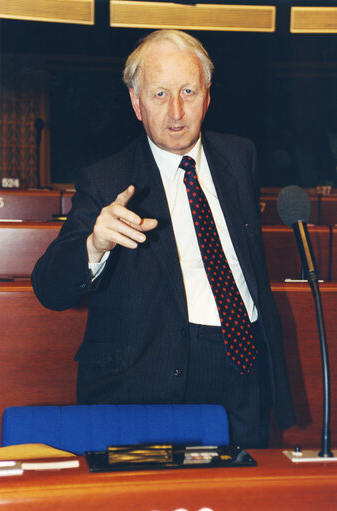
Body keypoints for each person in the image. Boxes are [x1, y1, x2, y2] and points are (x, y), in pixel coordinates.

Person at [32, 29, 295, 448]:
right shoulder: (106, 179)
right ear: (137, 104)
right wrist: (95, 246)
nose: (176, 111)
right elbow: (48, 287)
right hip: (149, 374)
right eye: (159, 95)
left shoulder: (239, 156)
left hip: (243, 364)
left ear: (207, 96)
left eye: (188, 91)